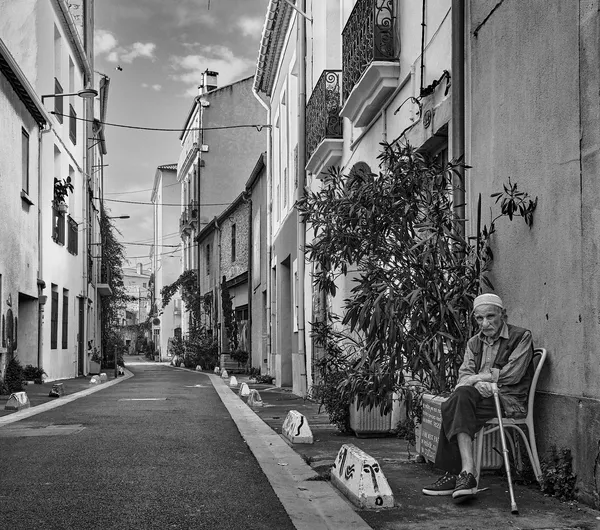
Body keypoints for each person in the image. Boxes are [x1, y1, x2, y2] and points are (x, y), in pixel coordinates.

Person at [422, 293, 533, 502]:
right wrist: (475, 382)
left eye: (490, 316)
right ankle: (466, 473)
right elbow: (463, 377)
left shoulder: (522, 336)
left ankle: (458, 474)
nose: (485, 323)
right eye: (479, 318)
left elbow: (514, 373)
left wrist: (480, 378)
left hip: (508, 399)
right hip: (477, 398)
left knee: (452, 405)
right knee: (459, 398)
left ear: (504, 315)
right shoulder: (474, 342)